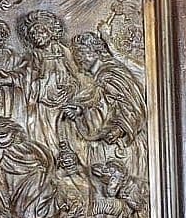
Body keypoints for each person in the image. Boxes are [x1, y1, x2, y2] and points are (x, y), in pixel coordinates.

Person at [62, 32, 147, 179]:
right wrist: (80, 109)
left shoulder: (111, 74)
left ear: (95, 51)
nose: (77, 59)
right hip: (104, 145)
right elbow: (99, 102)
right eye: (76, 55)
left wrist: (120, 129)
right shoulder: (100, 77)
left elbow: (131, 106)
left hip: (118, 146)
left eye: (81, 53)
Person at [17, 10, 79, 158]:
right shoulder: (32, 57)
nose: (36, 36)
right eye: (32, 34)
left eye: (40, 32)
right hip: (41, 108)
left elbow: (78, 77)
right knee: (45, 140)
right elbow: (23, 78)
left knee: (64, 138)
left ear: (51, 32)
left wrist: (70, 89)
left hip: (63, 105)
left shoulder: (64, 53)